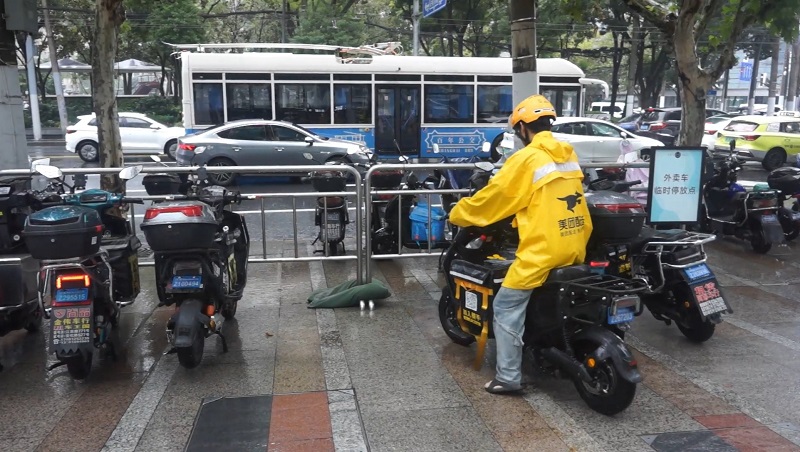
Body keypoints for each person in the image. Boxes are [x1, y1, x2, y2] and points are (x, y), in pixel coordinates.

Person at [448, 94, 593, 394]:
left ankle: (508, 378)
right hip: (576, 242)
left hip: (544, 248)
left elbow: (495, 198)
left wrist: (459, 213)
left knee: (506, 306)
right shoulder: (567, 153)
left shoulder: (527, 158)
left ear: (523, 128)